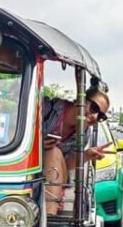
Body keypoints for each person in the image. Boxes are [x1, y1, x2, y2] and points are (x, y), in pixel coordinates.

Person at [43, 86, 112, 214]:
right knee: (54, 151)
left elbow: (66, 164)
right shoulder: (48, 108)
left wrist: (86, 155)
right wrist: (37, 142)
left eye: (101, 116)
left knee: (54, 152)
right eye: (94, 108)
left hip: (53, 178)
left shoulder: (84, 133)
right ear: (80, 100)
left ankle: (50, 214)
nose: (95, 116)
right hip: (26, 168)